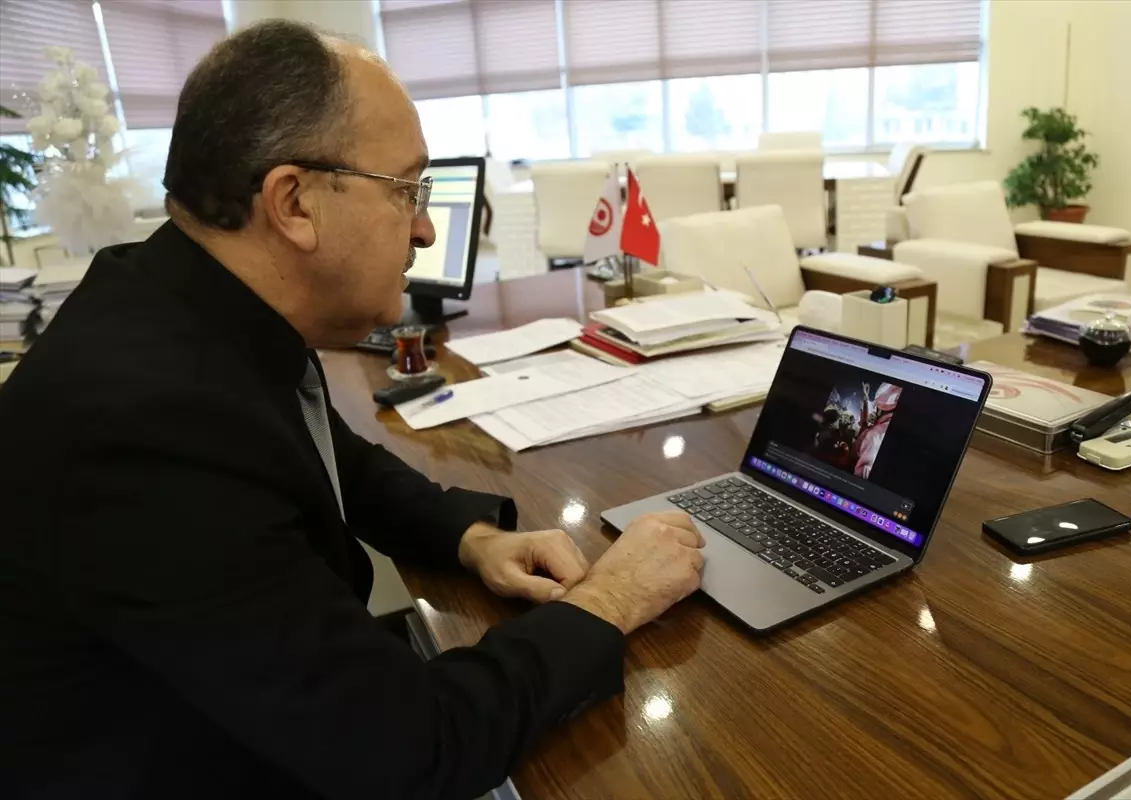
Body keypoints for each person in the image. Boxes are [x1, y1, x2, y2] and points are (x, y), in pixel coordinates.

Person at [0, 21, 705, 799]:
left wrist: (466, 537)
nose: (427, 226)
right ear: (294, 202)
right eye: (407, 189)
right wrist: (611, 601)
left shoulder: (186, 303)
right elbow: (411, 751)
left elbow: (326, 454)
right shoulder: (150, 434)